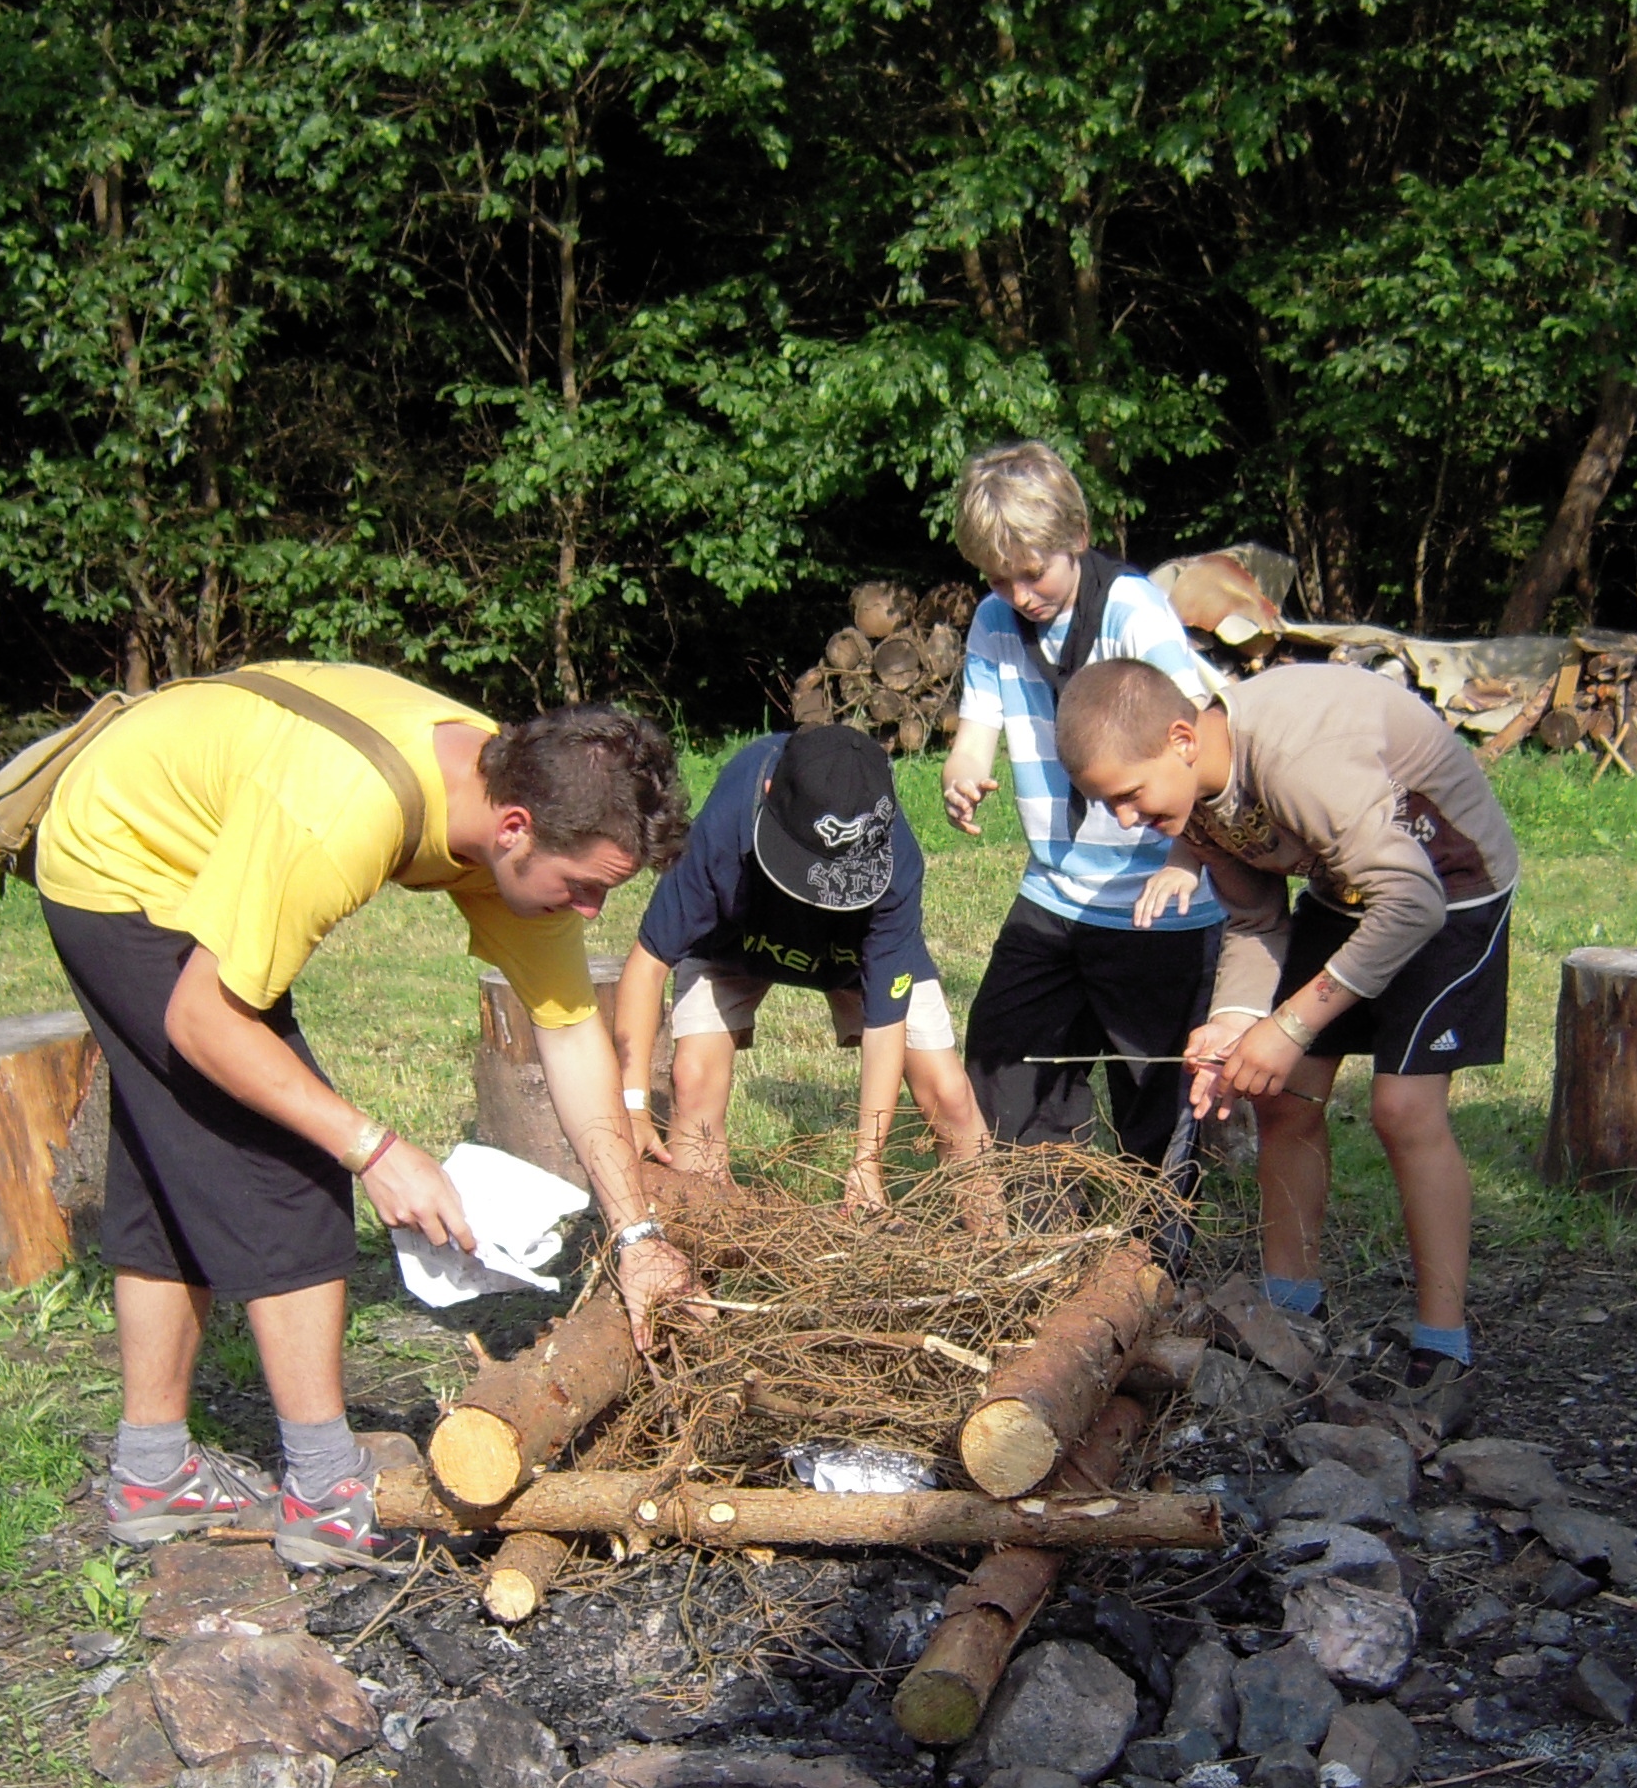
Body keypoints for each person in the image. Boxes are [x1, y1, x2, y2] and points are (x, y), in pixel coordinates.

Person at [34, 665, 704, 1556]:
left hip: (205, 831)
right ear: (514, 828)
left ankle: (153, 1472)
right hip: (124, 859)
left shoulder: (523, 807)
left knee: (175, 1154)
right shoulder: (343, 814)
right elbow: (202, 1021)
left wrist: (636, 1236)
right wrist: (376, 1150)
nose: (590, 910)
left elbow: (572, 1033)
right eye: (583, 886)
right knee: (287, 1164)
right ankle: (326, 1497)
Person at [1054, 654, 1517, 1415]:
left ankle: (1443, 1345)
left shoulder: (1299, 763)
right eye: (1110, 805)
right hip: (1349, 885)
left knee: (1403, 1110)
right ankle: (1290, 1311)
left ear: (1181, 740)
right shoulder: (1197, 795)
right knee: (1283, 1094)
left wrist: (1291, 1024)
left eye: (1130, 796)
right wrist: (1237, 1023)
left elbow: (1412, 904)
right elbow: (1255, 918)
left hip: (1448, 888)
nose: (1127, 821)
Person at [937, 441, 1225, 1196]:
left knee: (1155, 1095)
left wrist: (1185, 860)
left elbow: (1192, 740)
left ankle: (1154, 1241)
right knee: (1004, 1060)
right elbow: (976, 730)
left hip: (1157, 900)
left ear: (1078, 538)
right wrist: (962, 774)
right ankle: (1046, 1228)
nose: (1019, 594)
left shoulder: (1133, 612)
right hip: (1055, 891)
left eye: (1033, 572)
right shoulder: (994, 621)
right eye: (997, 577)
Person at [616, 722, 991, 1208]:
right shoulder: (726, 825)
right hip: (738, 932)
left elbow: (886, 1021)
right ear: (771, 792)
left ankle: (992, 1242)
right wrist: (633, 1105)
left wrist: (867, 1161)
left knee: (949, 1094)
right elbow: (647, 963)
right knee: (693, 1079)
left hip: (850, 947)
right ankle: (703, 1233)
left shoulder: (896, 864)